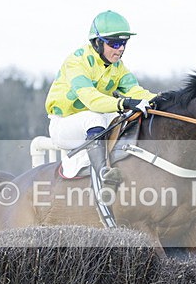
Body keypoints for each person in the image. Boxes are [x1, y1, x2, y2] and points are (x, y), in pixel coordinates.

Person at [45, 10, 157, 186]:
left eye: (123, 43)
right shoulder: (76, 62)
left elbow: (137, 91)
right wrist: (124, 102)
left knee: (124, 119)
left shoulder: (118, 67)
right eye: (114, 43)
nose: (120, 49)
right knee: (94, 117)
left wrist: (168, 100)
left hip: (94, 123)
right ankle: (103, 176)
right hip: (64, 125)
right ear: (97, 42)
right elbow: (91, 100)